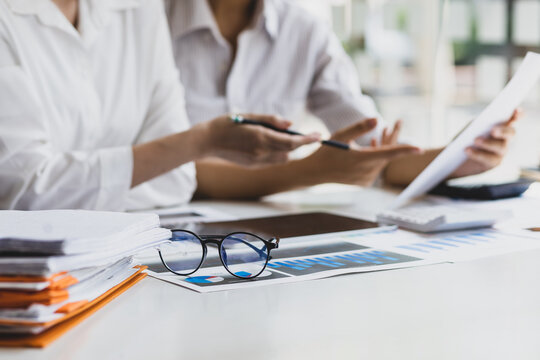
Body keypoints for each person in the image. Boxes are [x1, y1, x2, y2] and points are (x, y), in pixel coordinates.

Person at [165, 0, 518, 199]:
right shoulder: (148, 20)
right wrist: (305, 172)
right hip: (158, 234)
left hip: (263, 234)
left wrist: (461, 156)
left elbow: (376, 157)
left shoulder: (304, 31)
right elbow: (161, 169)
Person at [0, 0, 333, 210]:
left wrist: (77, 188)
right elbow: (24, 193)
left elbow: (176, 181)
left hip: (126, 266)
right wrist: (199, 142)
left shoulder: (141, 8)